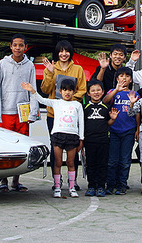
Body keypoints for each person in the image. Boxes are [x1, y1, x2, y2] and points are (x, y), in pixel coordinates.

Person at [0, 33, 39, 193]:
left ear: (25, 47)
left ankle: (16, 182)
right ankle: (3, 181)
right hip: (6, 112)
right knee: (5, 148)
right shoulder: (3, 64)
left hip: (23, 114)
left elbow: (33, 89)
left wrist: (33, 113)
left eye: (21, 45)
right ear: (11, 46)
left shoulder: (29, 66)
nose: (18, 48)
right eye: (15, 45)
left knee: (21, 149)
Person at [21, 79, 84, 198]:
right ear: (60, 91)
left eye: (70, 90)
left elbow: (81, 123)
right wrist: (33, 91)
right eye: (65, 90)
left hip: (72, 136)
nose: (67, 93)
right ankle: (57, 187)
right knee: (58, 162)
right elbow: (42, 100)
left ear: (74, 91)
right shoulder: (56, 102)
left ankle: (71, 187)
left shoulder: (77, 105)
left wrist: (81, 139)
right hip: (58, 135)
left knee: (71, 162)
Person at [41, 40, 87, 187]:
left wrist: (68, 99)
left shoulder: (78, 69)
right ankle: (57, 181)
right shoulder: (51, 68)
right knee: (56, 150)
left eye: (66, 51)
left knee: (73, 149)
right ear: (57, 53)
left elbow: (82, 90)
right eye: (60, 51)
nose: (63, 54)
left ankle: (73, 182)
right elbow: (45, 90)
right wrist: (49, 73)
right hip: (54, 116)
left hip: (72, 117)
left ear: (70, 52)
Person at [104, 67, 138, 195]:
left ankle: (122, 184)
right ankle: (110, 183)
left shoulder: (135, 94)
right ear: (117, 78)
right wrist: (116, 90)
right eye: (121, 76)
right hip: (113, 130)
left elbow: (137, 114)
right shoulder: (113, 92)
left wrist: (138, 129)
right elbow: (105, 101)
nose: (124, 78)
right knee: (112, 160)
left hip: (129, 131)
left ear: (131, 79)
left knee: (125, 160)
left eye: (127, 76)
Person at [82, 79, 118, 197]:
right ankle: (91, 186)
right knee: (91, 164)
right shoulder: (85, 107)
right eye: (93, 90)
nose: (96, 92)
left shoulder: (106, 107)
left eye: (98, 90)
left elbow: (107, 124)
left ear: (103, 92)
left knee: (103, 164)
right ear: (88, 93)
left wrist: (112, 119)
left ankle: (101, 186)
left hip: (103, 140)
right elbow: (82, 124)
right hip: (89, 141)